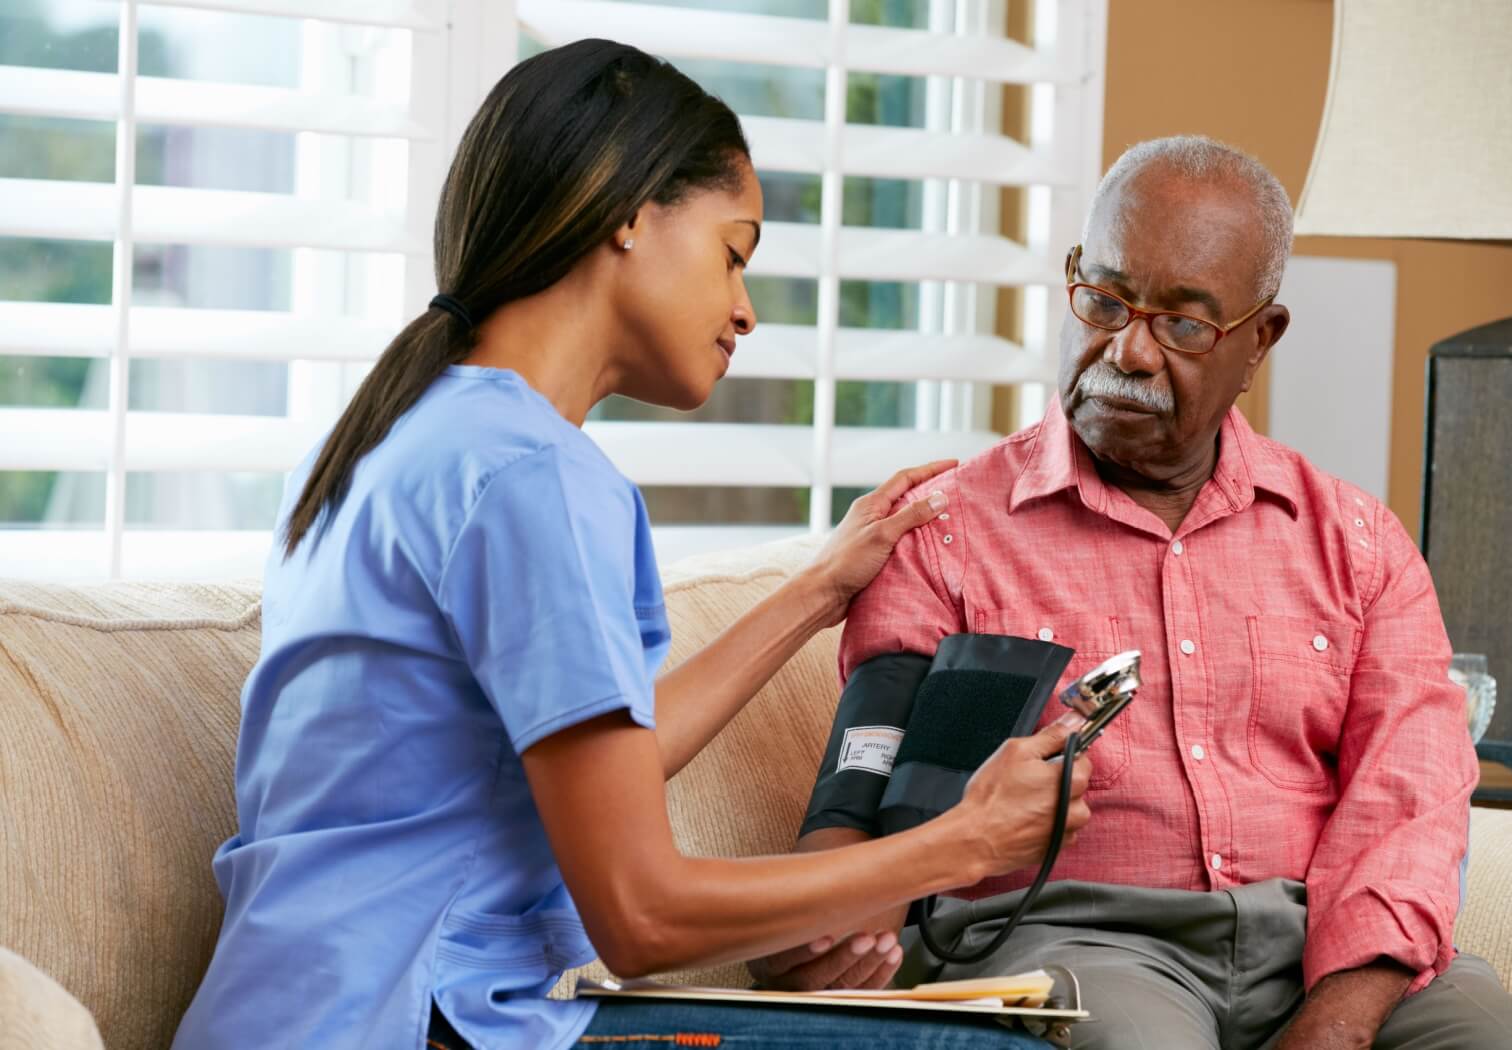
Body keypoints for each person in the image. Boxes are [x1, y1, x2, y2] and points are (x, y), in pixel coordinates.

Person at [171, 38, 1092, 1050]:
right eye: (733, 252)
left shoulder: (397, 438)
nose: (744, 308)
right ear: (628, 210)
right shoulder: (533, 477)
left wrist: (817, 591)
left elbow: (608, 759)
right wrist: (960, 844)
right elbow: (641, 914)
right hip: (413, 1021)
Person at [761, 136, 1512, 1050]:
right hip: (1074, 943)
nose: (1130, 352)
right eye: (1104, 300)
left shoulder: (1357, 544)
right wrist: (818, 909)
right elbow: (863, 779)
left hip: (1322, 948)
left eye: (1184, 325)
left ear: (1260, 339)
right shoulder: (945, 532)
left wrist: (1338, 1024)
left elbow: (1410, 802)